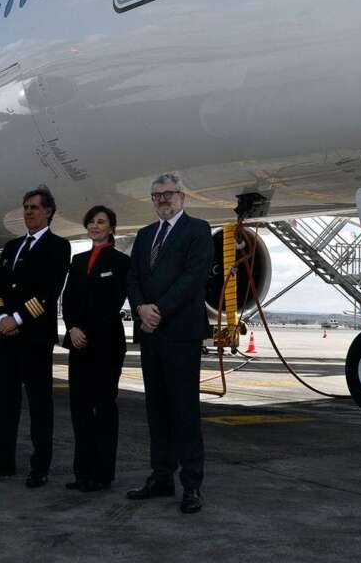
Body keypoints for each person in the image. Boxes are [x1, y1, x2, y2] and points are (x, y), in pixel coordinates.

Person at [125, 172, 213, 514]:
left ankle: (191, 485)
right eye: (157, 195)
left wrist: (158, 309)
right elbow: (133, 276)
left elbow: (194, 277)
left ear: (182, 197)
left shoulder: (198, 230)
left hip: (180, 333)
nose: (163, 200)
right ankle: (161, 476)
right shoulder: (145, 235)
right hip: (150, 332)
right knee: (156, 410)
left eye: (169, 194)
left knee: (184, 411)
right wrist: (139, 308)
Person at [0, 186, 71, 488]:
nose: (27, 212)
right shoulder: (13, 246)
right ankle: (4, 459)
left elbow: (48, 292)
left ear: (48, 212)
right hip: (7, 338)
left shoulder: (59, 247)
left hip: (34, 339)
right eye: (25, 207)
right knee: (5, 402)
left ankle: (39, 464)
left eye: (33, 207)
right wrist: (0, 316)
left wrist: (16, 318)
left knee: (39, 404)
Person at [61, 205, 130, 492]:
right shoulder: (78, 260)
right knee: (79, 409)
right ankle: (82, 472)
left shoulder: (121, 262)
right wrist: (72, 327)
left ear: (111, 227)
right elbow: (68, 300)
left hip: (106, 344)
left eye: (101, 222)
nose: (95, 226)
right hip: (78, 343)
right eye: (91, 221)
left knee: (103, 408)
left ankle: (102, 474)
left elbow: (112, 303)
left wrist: (86, 330)